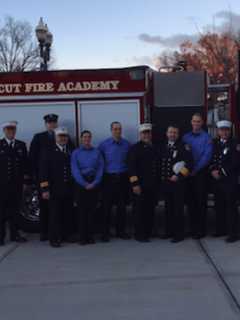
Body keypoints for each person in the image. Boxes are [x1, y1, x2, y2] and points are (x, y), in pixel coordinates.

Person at [39, 127, 74, 248]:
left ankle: (66, 235)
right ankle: (54, 238)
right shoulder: (48, 151)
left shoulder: (70, 150)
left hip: (68, 188)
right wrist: (45, 189)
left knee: (67, 213)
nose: (63, 138)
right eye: (60, 136)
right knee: (54, 215)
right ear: (55, 138)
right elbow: (43, 172)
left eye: (65, 136)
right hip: (54, 189)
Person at [159, 125, 193, 242]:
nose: (172, 134)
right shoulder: (162, 146)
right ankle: (169, 232)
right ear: (166, 134)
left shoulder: (183, 147)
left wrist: (178, 176)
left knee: (178, 210)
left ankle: (179, 235)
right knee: (168, 209)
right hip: (166, 184)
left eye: (175, 133)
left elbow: (190, 164)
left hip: (178, 184)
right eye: (170, 132)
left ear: (178, 135)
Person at [99, 122, 131, 242]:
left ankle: (120, 231)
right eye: (115, 129)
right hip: (108, 178)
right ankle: (105, 233)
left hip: (122, 178)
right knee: (106, 207)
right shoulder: (104, 145)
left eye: (119, 129)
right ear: (111, 130)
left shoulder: (127, 144)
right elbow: (99, 161)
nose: (117, 131)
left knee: (121, 207)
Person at [183, 113, 213, 239]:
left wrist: (194, 170)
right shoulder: (185, 137)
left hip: (200, 174)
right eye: (194, 121)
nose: (196, 123)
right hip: (187, 174)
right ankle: (192, 228)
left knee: (201, 203)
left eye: (198, 121)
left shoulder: (207, 138)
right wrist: (187, 170)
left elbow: (207, 157)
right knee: (191, 203)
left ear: (202, 123)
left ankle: (201, 230)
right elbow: (182, 154)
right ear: (191, 122)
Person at [71, 130, 104, 245]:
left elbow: (100, 169)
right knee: (81, 212)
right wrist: (84, 184)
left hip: (93, 183)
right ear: (81, 139)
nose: (87, 139)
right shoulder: (75, 153)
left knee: (92, 211)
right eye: (84, 137)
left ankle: (90, 236)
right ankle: (82, 237)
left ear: (91, 139)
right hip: (81, 184)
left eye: (89, 137)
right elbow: (75, 170)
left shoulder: (97, 152)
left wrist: (95, 183)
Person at [209, 120, 240, 242]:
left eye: (226, 130)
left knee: (231, 208)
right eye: (221, 130)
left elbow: (236, 162)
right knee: (219, 206)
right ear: (218, 131)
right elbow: (212, 158)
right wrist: (212, 170)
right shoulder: (215, 143)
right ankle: (220, 230)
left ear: (229, 131)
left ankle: (233, 234)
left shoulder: (235, 144)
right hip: (217, 181)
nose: (224, 132)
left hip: (229, 181)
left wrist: (221, 172)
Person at [128, 123, 158, 242]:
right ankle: (140, 235)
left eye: (148, 133)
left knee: (150, 210)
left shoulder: (153, 147)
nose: (146, 135)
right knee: (139, 211)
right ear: (140, 134)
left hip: (151, 186)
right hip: (139, 186)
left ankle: (148, 232)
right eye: (144, 133)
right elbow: (131, 168)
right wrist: (135, 184)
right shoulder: (134, 149)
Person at [0, 121, 29, 245]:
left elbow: (25, 165)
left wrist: (25, 182)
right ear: (4, 131)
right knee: (1, 212)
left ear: (15, 131)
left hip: (17, 185)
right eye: (8, 130)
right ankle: (0, 237)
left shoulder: (21, 145)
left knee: (15, 211)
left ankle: (14, 234)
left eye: (12, 130)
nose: (10, 132)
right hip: (2, 185)